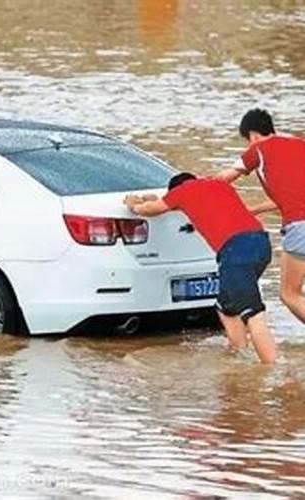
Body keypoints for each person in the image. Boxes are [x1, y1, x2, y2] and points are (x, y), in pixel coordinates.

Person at [124, 173, 276, 364]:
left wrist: (133, 204)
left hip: (236, 250)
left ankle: (272, 368)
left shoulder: (182, 192)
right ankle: (239, 355)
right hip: (261, 244)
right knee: (225, 305)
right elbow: (200, 205)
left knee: (252, 313)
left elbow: (149, 210)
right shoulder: (220, 186)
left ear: (175, 188)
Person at [217, 108, 305, 325]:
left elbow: (222, 179)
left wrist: (190, 189)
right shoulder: (299, 144)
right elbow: (291, 196)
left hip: (300, 227)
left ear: (253, 135)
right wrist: (253, 210)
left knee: (289, 294)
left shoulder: (257, 150)